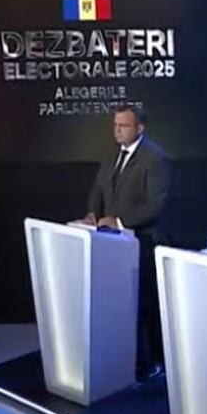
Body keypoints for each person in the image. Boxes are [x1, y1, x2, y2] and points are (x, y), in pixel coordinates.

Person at [84, 104, 172, 382]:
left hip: (144, 242)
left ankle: (153, 363)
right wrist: (92, 214)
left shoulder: (155, 159)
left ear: (139, 128)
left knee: (145, 305)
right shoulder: (112, 156)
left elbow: (156, 205)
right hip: (111, 245)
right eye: (115, 125)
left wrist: (119, 221)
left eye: (123, 125)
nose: (117, 130)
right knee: (120, 306)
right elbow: (98, 189)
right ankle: (126, 361)